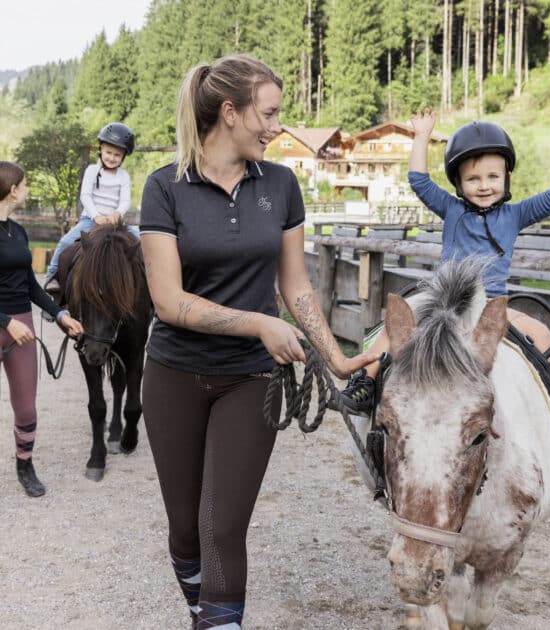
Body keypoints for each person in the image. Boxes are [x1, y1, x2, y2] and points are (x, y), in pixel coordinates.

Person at [139, 54, 377, 629]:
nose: (277, 126)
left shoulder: (281, 184)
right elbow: (170, 303)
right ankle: (205, 611)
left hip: (251, 378)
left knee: (223, 526)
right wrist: (260, 323)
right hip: (173, 374)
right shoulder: (164, 188)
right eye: (269, 113)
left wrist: (336, 357)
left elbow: (295, 286)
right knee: (186, 530)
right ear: (231, 112)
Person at [341, 108, 550, 448]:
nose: (484, 186)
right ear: (459, 183)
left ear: (507, 177)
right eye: (473, 179)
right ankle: (364, 382)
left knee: (541, 332)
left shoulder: (516, 214)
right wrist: (421, 137)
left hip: (489, 303)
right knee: (395, 324)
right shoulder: (452, 209)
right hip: (443, 297)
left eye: (493, 177)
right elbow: (419, 181)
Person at [0, 161, 83, 496]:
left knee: (26, 405)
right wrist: (6, 321)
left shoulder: (17, 231)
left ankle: (25, 464)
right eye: (25, 184)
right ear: (12, 189)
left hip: (21, 322)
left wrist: (59, 315)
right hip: (7, 322)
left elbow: (31, 287)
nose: (27, 189)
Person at [44, 122, 137, 291]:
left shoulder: (124, 176)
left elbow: (125, 201)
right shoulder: (92, 170)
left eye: (117, 154)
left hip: (114, 222)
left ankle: (148, 278)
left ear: (123, 156)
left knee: (140, 239)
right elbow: (85, 195)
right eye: (109, 152)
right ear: (100, 149)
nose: (112, 157)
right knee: (65, 242)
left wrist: (117, 213)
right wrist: (96, 216)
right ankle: (52, 276)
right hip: (91, 220)